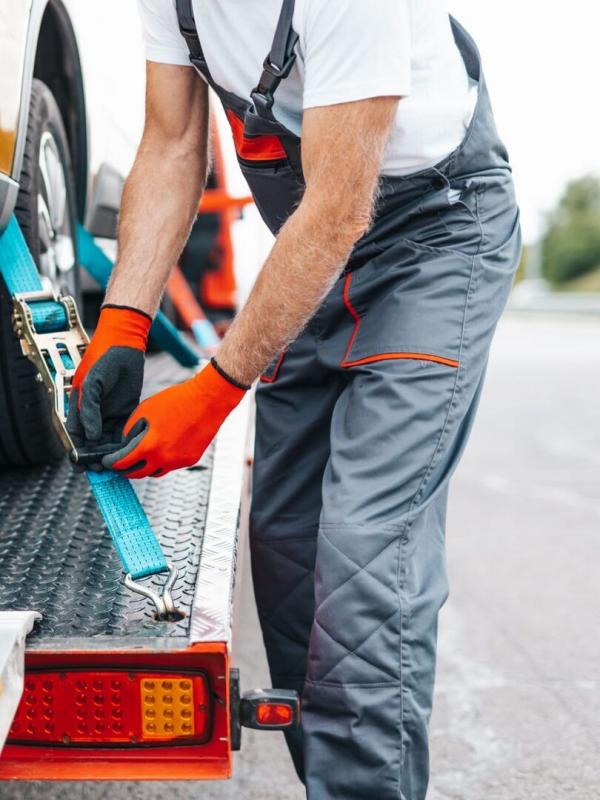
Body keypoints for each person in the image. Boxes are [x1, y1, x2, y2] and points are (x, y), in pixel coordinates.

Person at [67, 1, 521, 797]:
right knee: (290, 554)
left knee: (361, 561)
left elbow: (343, 205)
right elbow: (173, 144)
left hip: (434, 239)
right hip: (318, 247)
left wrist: (212, 393)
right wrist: (124, 323)